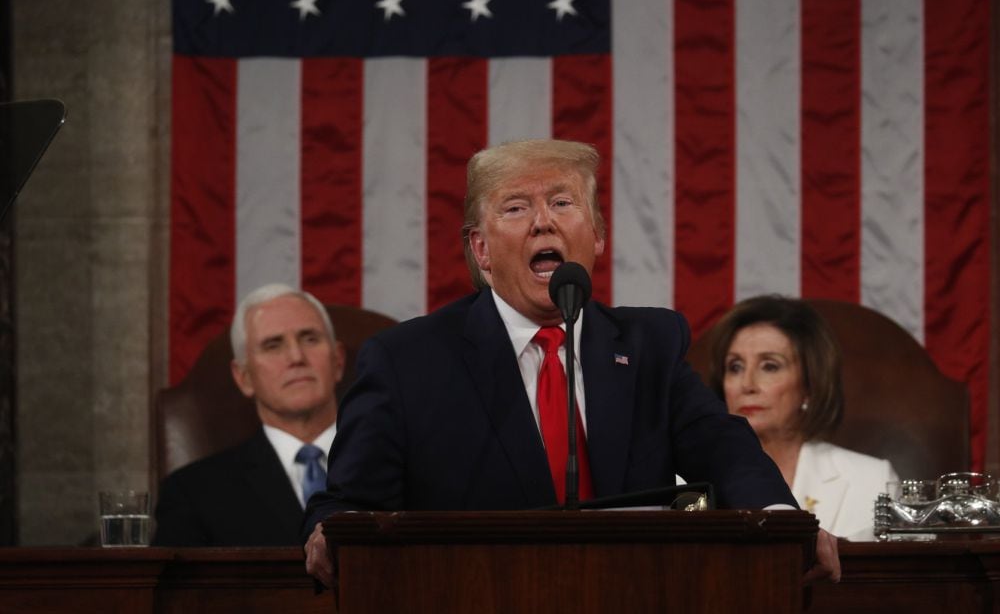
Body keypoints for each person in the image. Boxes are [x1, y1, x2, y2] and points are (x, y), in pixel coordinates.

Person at [303, 139, 840, 585]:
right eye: (516, 208)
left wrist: (782, 520)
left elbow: (724, 449)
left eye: (562, 203)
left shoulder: (650, 343)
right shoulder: (407, 362)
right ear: (481, 250)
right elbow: (349, 505)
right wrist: (333, 532)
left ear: (598, 236)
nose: (543, 223)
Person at [153, 283, 345, 546]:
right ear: (243, 377)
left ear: (338, 360)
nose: (296, 356)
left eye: (310, 338)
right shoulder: (194, 493)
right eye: (273, 345)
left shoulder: (401, 464)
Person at [712, 294, 898, 540]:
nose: (747, 385)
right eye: (735, 367)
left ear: (810, 385)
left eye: (770, 366)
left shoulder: (871, 480)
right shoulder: (684, 484)